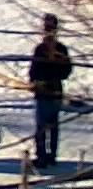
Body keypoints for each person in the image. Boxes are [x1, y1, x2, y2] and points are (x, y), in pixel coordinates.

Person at [29, 13, 73, 169]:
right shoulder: (53, 49)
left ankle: (44, 156)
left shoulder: (45, 49)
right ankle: (48, 155)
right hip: (52, 92)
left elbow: (34, 72)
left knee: (44, 126)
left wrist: (39, 80)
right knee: (50, 126)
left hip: (47, 93)